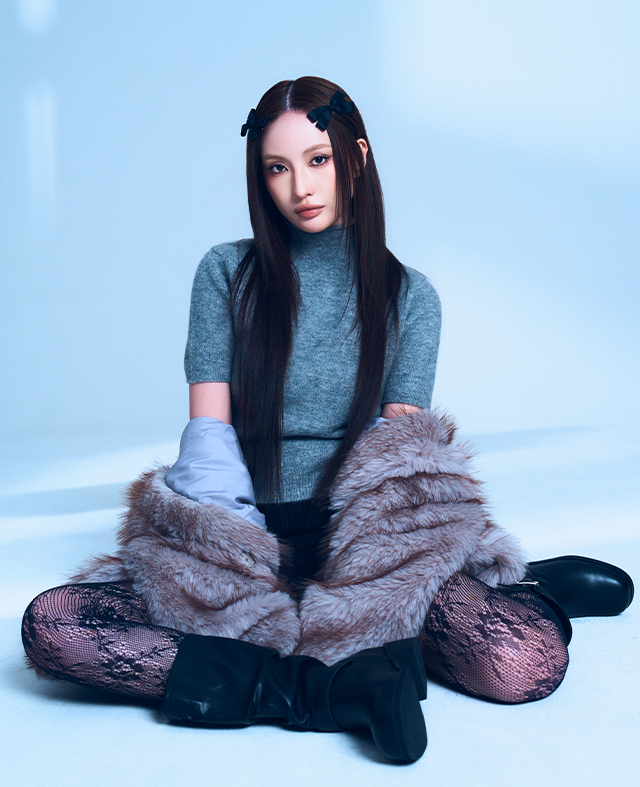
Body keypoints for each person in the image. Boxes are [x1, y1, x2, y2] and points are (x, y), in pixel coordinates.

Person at [21, 76, 633, 765]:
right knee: (56, 625)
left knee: (523, 661)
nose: (300, 187)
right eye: (276, 168)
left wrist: (382, 586)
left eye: (318, 160)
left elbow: (396, 464)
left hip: (362, 541)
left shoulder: (410, 296)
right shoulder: (226, 273)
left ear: (357, 158)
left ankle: (519, 587)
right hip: (245, 535)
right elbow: (209, 440)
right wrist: (230, 574)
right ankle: (327, 692)